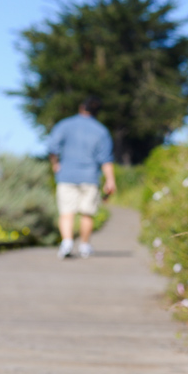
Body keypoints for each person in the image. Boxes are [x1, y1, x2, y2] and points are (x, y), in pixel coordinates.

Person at [46, 96, 116, 259]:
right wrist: (110, 180)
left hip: (66, 175)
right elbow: (106, 159)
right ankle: (84, 245)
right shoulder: (101, 131)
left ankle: (67, 243)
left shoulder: (64, 125)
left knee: (66, 212)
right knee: (87, 213)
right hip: (90, 177)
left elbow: (52, 147)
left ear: (80, 107)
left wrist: (55, 164)